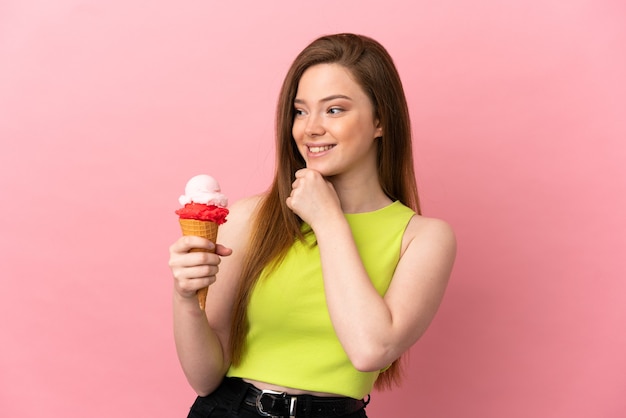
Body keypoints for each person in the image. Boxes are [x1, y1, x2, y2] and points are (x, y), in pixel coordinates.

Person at [168, 33, 456, 418]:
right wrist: (185, 298)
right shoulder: (251, 218)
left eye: (334, 110)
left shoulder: (423, 238)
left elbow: (370, 349)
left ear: (380, 120)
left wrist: (327, 218)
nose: (310, 128)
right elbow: (205, 378)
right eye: (301, 111)